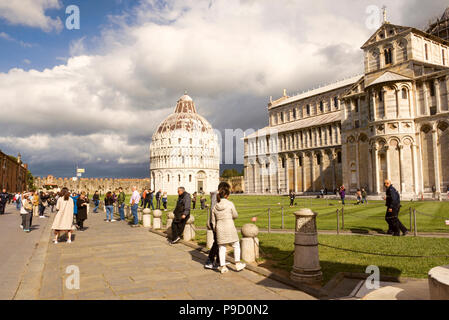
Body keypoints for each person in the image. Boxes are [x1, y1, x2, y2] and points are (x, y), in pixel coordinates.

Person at [211, 183, 246, 274]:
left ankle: (223, 267)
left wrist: (215, 228)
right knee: (236, 245)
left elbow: (213, 221)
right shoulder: (230, 204)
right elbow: (235, 215)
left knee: (222, 248)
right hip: (229, 226)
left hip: (220, 228)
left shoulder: (215, 206)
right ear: (226, 195)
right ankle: (237, 264)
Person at [204, 182, 231, 270]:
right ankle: (210, 261)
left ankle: (219, 261)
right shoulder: (216, 196)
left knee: (220, 241)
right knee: (217, 242)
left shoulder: (216, 195)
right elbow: (214, 209)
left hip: (217, 222)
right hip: (216, 222)